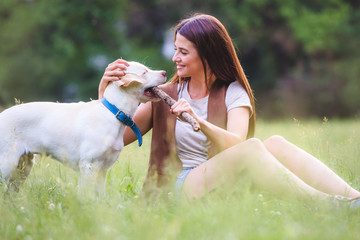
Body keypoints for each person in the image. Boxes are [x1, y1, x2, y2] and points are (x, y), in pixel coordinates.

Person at [98, 13, 360, 208]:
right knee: (255, 147)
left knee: (276, 143)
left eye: (183, 51)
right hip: (182, 186)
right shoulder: (165, 95)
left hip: (225, 182)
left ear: (207, 54)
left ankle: (353, 199)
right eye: (176, 50)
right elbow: (112, 138)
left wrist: (197, 120)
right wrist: (105, 90)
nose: (175, 57)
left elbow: (235, 144)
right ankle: (328, 206)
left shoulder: (234, 92)